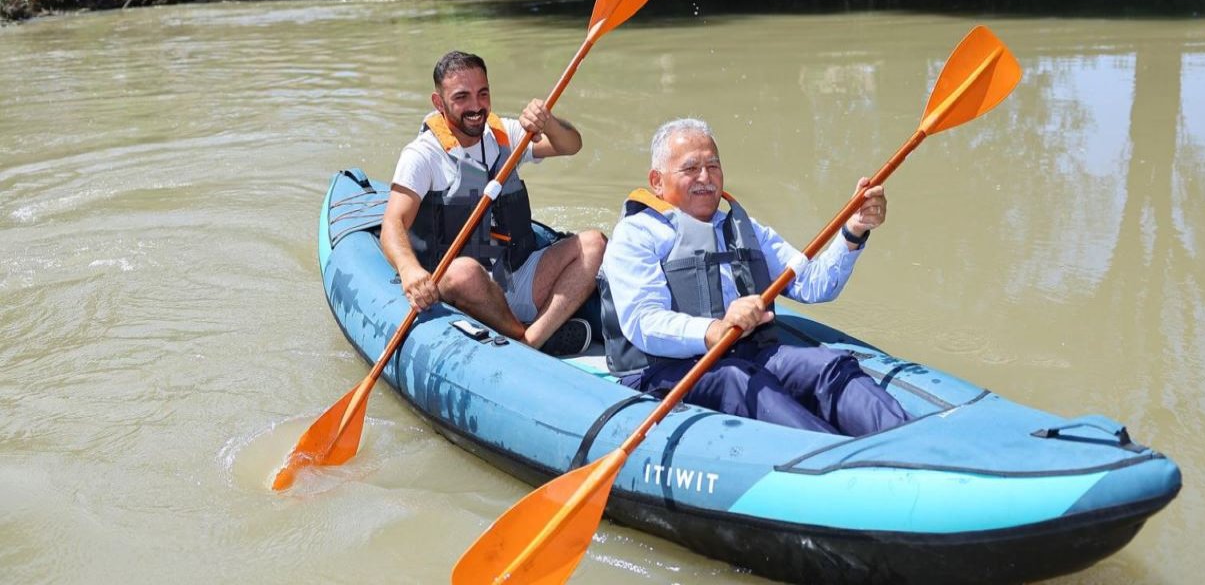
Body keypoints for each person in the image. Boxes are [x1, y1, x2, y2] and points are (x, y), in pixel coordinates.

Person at [598, 118, 909, 436]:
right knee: (739, 381)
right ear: (657, 181)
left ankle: (905, 438)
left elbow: (813, 284)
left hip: (747, 354)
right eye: (690, 168)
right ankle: (836, 458)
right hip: (664, 371)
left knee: (829, 365)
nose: (705, 177)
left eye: (713, 166)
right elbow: (643, 323)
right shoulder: (636, 234)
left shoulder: (744, 228)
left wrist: (853, 231)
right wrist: (714, 330)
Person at [381, 50, 605, 356]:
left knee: (594, 243)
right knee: (465, 272)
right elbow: (392, 223)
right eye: (462, 97)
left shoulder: (506, 134)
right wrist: (409, 271)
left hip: (515, 272)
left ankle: (532, 339)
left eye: (482, 93)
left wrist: (548, 122)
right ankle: (527, 336)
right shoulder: (423, 155)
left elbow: (571, 145)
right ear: (438, 102)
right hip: (460, 282)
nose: (475, 106)